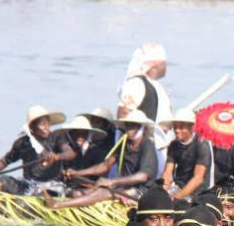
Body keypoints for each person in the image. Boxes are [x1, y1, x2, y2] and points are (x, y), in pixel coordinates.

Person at [48, 110, 159, 208]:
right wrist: (78, 173)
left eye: (133, 126)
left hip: (141, 192)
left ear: (143, 129)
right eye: (128, 125)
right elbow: (105, 165)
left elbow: (142, 176)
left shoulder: (147, 146)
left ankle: (57, 205)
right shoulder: (124, 144)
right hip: (123, 187)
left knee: (101, 192)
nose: (129, 128)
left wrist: (112, 181)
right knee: (77, 193)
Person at [0, 105, 72, 196]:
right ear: (32, 127)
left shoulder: (57, 138)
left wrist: (57, 156)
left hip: (53, 186)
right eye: (41, 124)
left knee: (42, 194)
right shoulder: (23, 143)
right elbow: (4, 161)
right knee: (3, 181)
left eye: (47, 123)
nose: (46, 128)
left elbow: (70, 153)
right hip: (29, 185)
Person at [118, 42, 174, 174]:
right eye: (164, 63)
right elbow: (123, 113)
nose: (166, 67)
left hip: (158, 148)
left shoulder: (155, 86)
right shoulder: (136, 83)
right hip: (141, 153)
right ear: (155, 64)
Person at [159, 107, 203, 199]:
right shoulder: (174, 145)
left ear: (192, 128)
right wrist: (162, 193)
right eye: (175, 127)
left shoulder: (201, 145)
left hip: (199, 192)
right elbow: (167, 173)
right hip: (179, 187)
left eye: (181, 127)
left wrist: (177, 198)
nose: (177, 130)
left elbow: (198, 179)